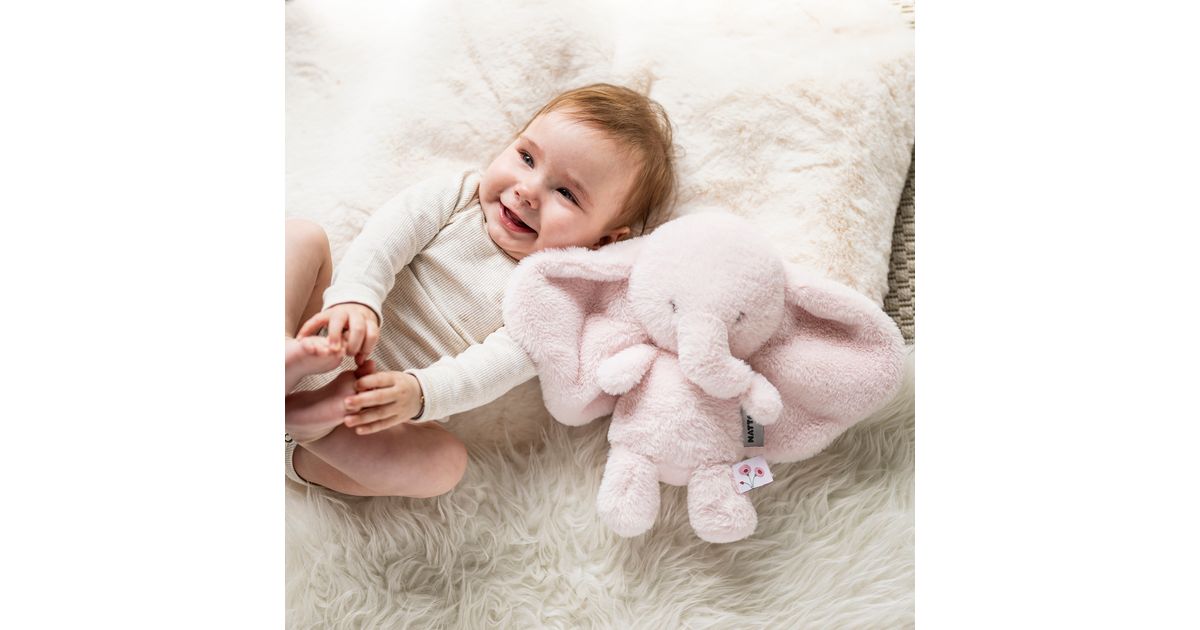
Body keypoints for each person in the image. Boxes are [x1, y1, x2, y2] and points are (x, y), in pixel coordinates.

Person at [283, 83, 677, 497]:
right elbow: (384, 239)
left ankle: (315, 423)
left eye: (565, 193)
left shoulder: (552, 299)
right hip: (321, 331)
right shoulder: (460, 197)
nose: (527, 190)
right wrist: (356, 297)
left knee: (445, 466)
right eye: (527, 158)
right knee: (301, 238)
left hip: (352, 431)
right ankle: (286, 352)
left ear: (603, 242)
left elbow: (489, 371)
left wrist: (420, 393)